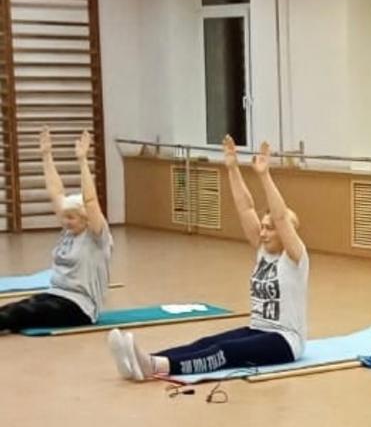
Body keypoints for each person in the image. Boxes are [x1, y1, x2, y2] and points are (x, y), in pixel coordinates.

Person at [107, 137, 308, 380]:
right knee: (206, 342)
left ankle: (156, 365)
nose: (262, 232)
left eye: (270, 228)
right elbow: (245, 208)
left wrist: (264, 176)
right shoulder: (263, 250)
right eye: (262, 227)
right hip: (258, 329)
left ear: (285, 233)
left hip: (284, 341)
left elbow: (281, 217)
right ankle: (143, 361)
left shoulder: (295, 257)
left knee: (223, 351)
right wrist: (232, 168)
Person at [0, 128, 111, 333]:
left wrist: (82, 160)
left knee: (20, 313)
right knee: (12, 308)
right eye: (65, 217)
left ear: (86, 218)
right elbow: (56, 192)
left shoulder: (96, 236)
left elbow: (90, 200)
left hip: (79, 307)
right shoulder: (69, 229)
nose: (66, 221)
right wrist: (46, 155)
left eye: (71, 217)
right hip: (56, 294)